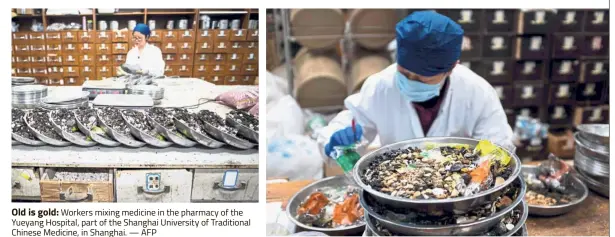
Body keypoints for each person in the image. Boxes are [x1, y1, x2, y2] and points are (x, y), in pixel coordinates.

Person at [317, 11, 514, 158]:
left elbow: (499, 149)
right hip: (396, 190)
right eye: (403, 72)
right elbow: (347, 129)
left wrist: (478, 165)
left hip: (459, 191)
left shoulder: (477, 93)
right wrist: (335, 142)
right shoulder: (381, 86)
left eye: (423, 78)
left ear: (452, 67)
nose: (410, 82)